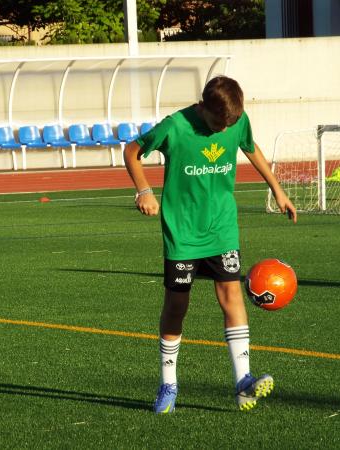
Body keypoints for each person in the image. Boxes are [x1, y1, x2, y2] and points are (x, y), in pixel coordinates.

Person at [123, 76, 297, 414]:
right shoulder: (175, 126)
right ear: (202, 107)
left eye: (228, 124)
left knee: (231, 295)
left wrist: (277, 189)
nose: (223, 130)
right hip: (183, 232)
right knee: (176, 307)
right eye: (218, 123)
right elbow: (132, 150)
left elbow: (250, 146)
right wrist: (143, 190)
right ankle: (168, 384)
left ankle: (243, 381)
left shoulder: (236, 120)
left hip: (222, 227)